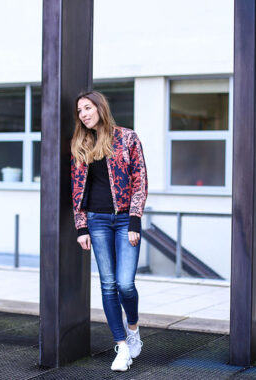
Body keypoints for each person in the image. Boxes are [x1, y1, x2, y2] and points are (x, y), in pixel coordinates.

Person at [70, 91, 148, 372]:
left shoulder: (127, 138)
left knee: (125, 284)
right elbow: (77, 188)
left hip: (125, 218)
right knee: (108, 284)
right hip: (97, 221)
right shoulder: (81, 143)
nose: (83, 114)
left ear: (100, 108)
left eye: (87, 108)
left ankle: (133, 328)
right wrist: (81, 226)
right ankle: (122, 346)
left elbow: (140, 180)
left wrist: (135, 220)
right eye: (79, 111)